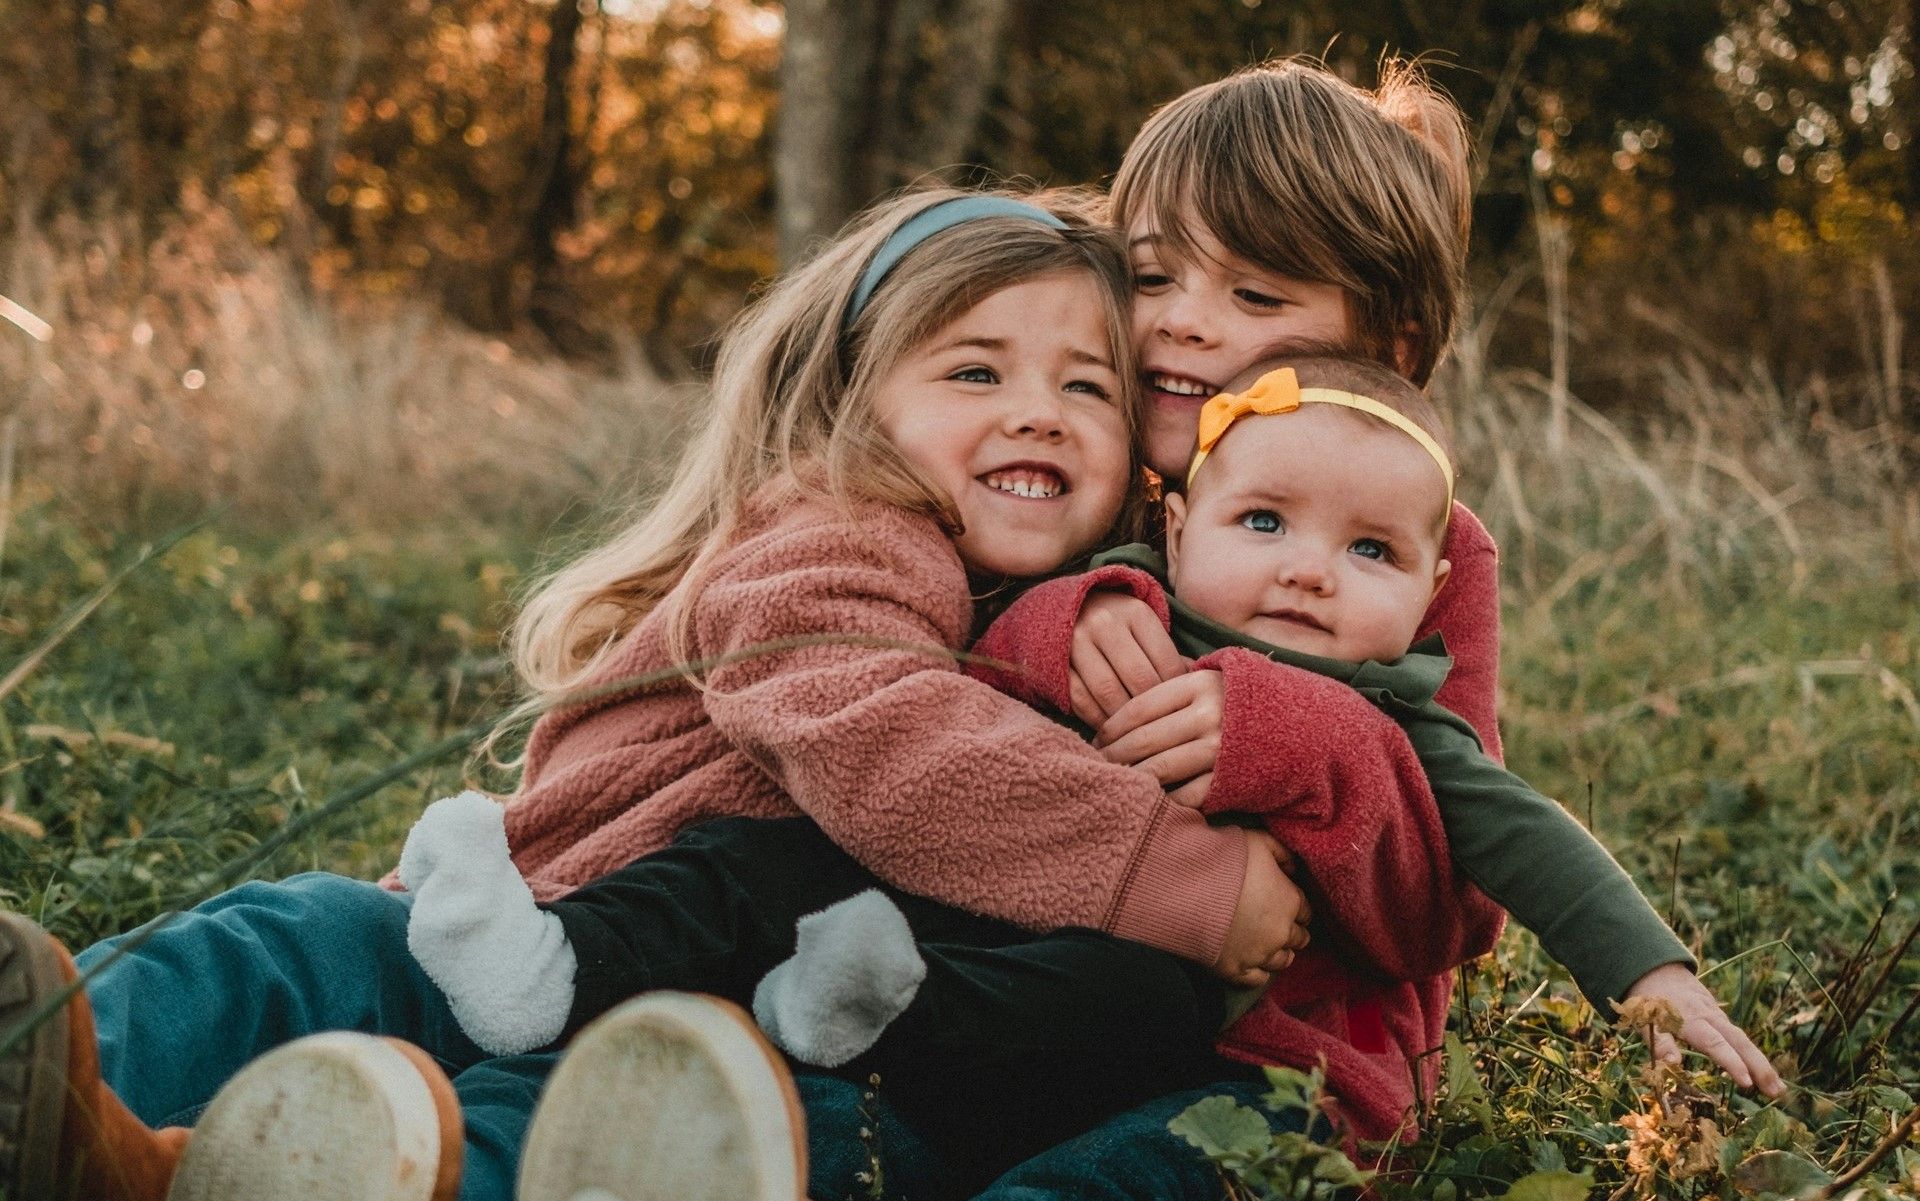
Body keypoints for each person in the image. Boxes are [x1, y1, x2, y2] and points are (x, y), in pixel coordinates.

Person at [0, 187, 1311, 1201]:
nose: (1040, 411)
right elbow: (889, 748)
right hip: (544, 935)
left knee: (585, 1117)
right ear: (842, 414)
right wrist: (1190, 882)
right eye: (975, 371)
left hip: (641, 998)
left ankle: (161, 1166)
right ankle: (57, 1073)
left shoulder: (1060, 601)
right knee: (284, 949)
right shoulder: (845, 536)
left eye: (1089, 385)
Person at [400, 354, 1780, 1196]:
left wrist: (1650, 973)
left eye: (1369, 554)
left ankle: (867, 1018)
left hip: (1075, 992)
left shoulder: (1395, 720)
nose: (1306, 564)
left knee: (1108, 1001)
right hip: (951, 880)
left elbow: (1521, 839)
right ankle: (553, 958)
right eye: (1264, 522)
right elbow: (975, 655)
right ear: (1181, 532)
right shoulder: (1116, 584)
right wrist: (1085, 612)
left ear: (1432, 587)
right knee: (768, 855)